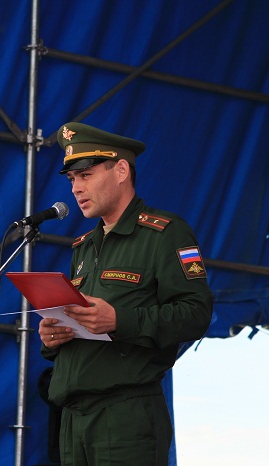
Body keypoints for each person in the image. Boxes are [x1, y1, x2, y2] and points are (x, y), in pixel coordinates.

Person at [39, 122, 214, 465]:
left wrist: (119, 320)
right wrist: (54, 337)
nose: (76, 188)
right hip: (72, 418)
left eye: (85, 175)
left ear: (121, 171)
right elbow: (81, 324)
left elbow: (196, 313)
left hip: (125, 416)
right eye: (71, 179)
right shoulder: (83, 247)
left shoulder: (164, 233)